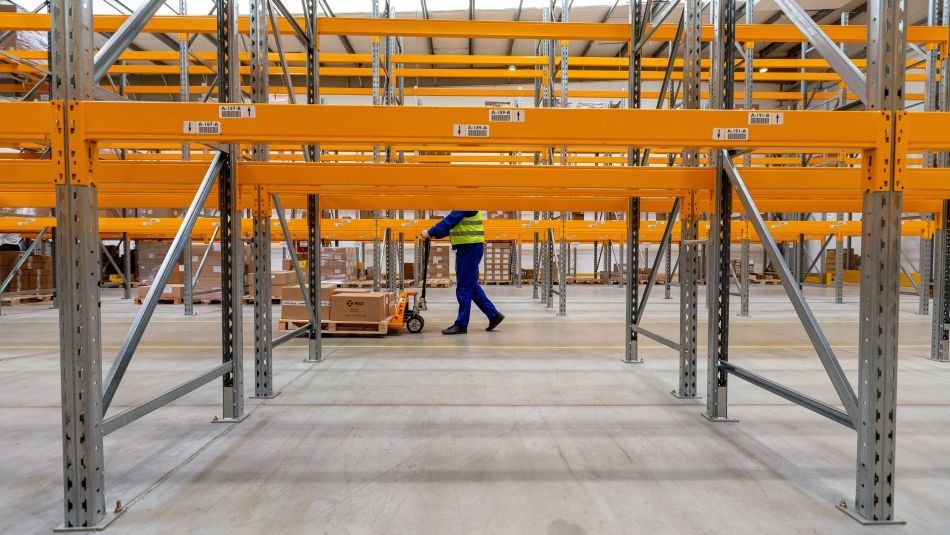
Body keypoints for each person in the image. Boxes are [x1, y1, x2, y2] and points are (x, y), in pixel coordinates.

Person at [422, 211, 505, 335]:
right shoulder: (465, 202)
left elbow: (450, 220)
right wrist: (435, 234)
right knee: (471, 285)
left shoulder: (466, 201)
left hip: (469, 247)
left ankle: (461, 324)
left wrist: (430, 232)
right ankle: (493, 315)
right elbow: (452, 225)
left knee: (464, 287)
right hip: (468, 246)